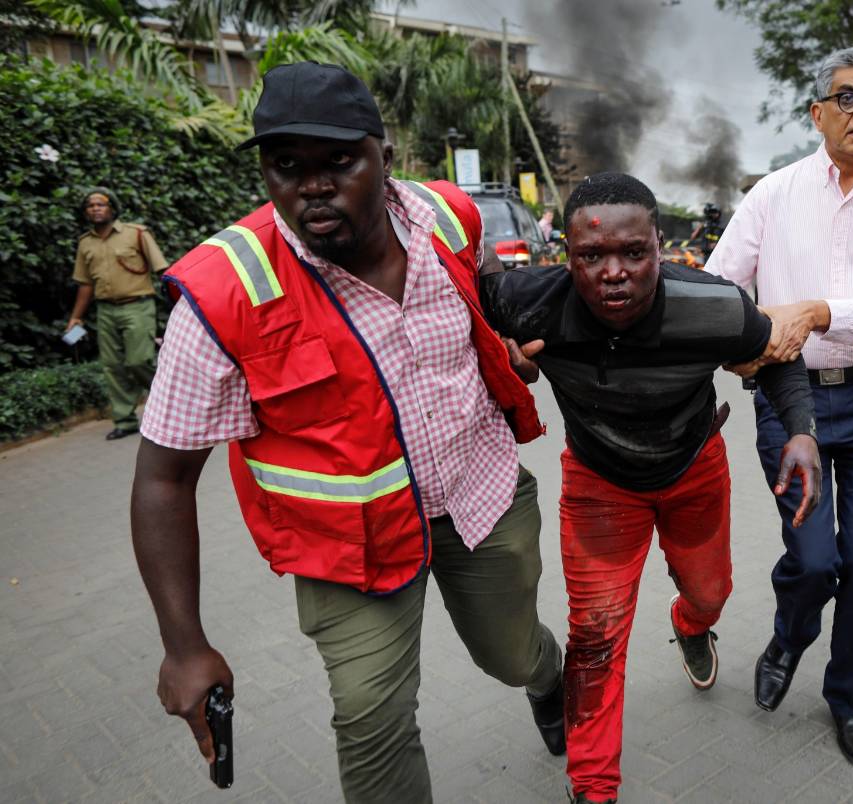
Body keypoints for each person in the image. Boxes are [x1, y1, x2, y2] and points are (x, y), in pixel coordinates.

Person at [129, 62, 564, 804]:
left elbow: (485, 301)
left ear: (384, 160)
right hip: (347, 546)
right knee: (371, 717)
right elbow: (162, 479)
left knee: (513, 655)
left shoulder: (448, 218)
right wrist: (184, 645)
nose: (312, 186)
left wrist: (505, 345)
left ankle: (547, 682)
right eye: (286, 166)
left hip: (479, 497)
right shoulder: (225, 290)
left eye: (338, 161)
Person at [481, 172, 821, 804]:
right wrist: (497, 352)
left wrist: (801, 430)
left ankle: (692, 625)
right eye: (592, 256)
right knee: (595, 636)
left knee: (711, 592)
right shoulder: (528, 301)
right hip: (598, 485)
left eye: (633, 253)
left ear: (660, 248)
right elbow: (443, 307)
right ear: (566, 255)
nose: (614, 272)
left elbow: (778, 357)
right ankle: (593, 787)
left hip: (693, 471)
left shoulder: (714, 305)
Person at [705, 46, 853, 766]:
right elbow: (719, 288)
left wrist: (813, 310)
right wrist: (735, 337)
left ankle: (847, 696)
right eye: (847, 97)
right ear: (818, 112)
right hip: (788, 400)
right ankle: (789, 636)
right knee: (812, 563)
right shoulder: (771, 195)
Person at [67, 188, 168, 439]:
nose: (95, 208)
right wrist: (75, 317)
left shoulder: (136, 234)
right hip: (105, 310)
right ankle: (125, 421)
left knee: (139, 360)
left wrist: (182, 302)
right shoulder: (85, 243)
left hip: (138, 305)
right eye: (90, 205)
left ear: (112, 208)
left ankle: (170, 402)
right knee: (112, 366)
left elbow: (162, 270)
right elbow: (85, 284)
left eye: (101, 204)